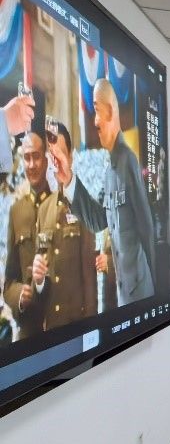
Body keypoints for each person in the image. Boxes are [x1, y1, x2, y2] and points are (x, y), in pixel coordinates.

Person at [59, 78, 157, 307]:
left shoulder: (128, 160)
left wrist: (154, 289)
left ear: (111, 111)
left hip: (140, 291)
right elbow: (97, 219)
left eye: (97, 111)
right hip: (125, 294)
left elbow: (146, 228)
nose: (94, 121)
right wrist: (69, 179)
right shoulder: (110, 169)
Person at [40, 120, 99, 327]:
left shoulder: (83, 206)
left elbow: (89, 278)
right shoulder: (44, 209)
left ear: (70, 158)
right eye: (51, 156)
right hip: (50, 328)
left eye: (60, 155)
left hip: (76, 325)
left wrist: (91, 327)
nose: (55, 162)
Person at [3, 131, 54, 339]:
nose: (32, 165)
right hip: (29, 332)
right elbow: (9, 283)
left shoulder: (61, 206)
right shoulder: (16, 212)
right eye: (26, 158)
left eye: (36, 157)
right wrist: (19, 296)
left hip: (58, 325)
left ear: (46, 160)